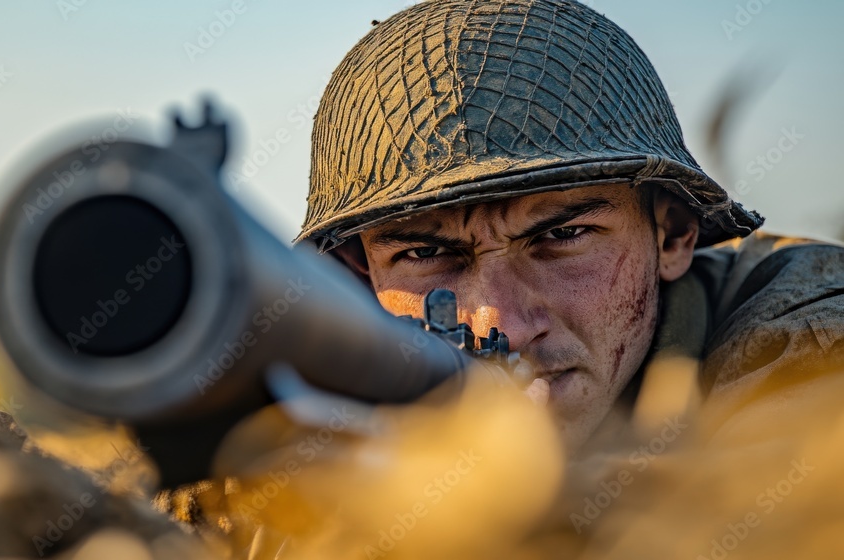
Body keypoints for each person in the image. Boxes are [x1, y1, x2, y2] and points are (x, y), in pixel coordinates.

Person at [293, 0, 844, 456]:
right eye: (424, 254)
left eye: (561, 237)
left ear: (674, 234)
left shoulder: (806, 340)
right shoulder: (302, 408)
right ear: (358, 278)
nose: (502, 325)